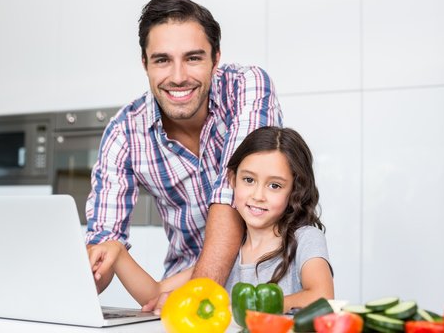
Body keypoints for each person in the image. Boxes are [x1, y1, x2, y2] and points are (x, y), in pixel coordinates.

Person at [85, 0, 283, 307]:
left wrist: (198, 297)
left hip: (263, 279)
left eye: (193, 58)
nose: (178, 77)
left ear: (216, 59)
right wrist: (71, 287)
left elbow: (231, 194)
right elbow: (103, 242)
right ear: (145, 64)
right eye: (162, 60)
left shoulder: (247, 87)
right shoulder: (124, 132)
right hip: (183, 281)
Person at [89, 126, 334, 312]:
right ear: (231, 179)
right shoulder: (228, 253)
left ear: (294, 190)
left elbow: (323, 297)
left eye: (274, 185)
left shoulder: (305, 238)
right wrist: (118, 253)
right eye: (248, 180)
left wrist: (236, 306)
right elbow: (154, 293)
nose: (258, 196)